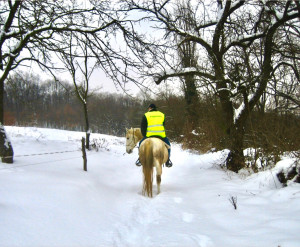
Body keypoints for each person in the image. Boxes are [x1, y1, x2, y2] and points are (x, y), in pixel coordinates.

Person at [136, 103, 173, 167]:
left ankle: (140, 159)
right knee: (168, 145)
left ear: (150, 108)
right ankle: (167, 160)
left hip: (149, 135)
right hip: (161, 135)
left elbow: (143, 127)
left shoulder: (146, 115)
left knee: (140, 143)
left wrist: (144, 135)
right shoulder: (162, 115)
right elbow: (163, 125)